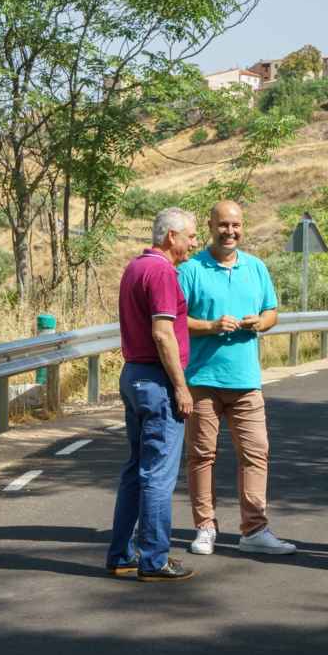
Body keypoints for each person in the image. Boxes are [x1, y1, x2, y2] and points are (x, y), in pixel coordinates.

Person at [177, 200, 296, 556]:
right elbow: (175, 323)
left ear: (243, 227)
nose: (230, 231)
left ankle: (255, 530)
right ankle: (204, 528)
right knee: (201, 456)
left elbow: (272, 311)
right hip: (202, 380)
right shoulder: (191, 269)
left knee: (256, 454)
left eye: (236, 225)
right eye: (223, 225)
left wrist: (262, 322)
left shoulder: (256, 267)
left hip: (246, 381)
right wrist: (211, 326)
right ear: (210, 225)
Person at [106, 207, 200, 583]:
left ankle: (121, 554)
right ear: (171, 236)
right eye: (190, 236)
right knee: (158, 474)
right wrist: (181, 386)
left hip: (134, 376)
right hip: (157, 381)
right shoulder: (162, 271)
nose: (194, 242)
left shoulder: (135, 267)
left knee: (136, 470)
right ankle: (154, 560)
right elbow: (162, 334)